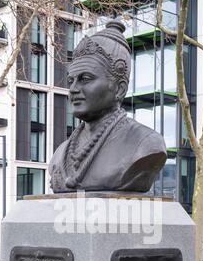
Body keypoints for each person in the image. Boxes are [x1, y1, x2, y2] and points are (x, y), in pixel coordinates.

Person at [49, 20, 167, 193]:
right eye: (71, 81)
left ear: (119, 89)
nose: (73, 89)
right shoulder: (60, 153)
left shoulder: (146, 144)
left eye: (85, 79)